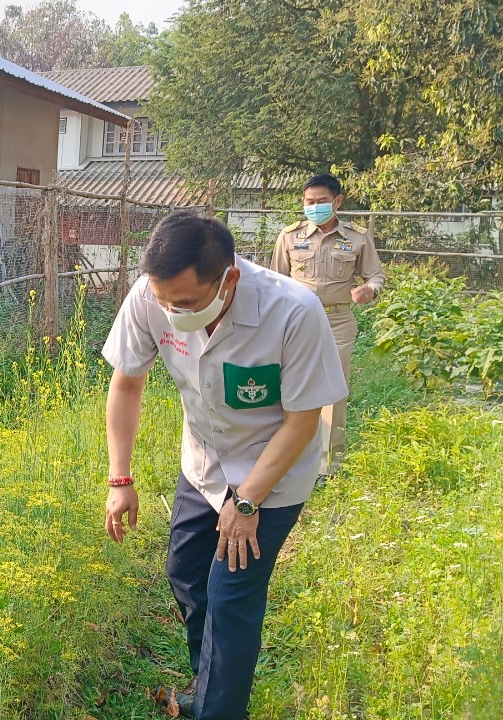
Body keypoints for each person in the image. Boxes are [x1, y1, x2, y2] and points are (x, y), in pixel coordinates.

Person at [101, 212, 347, 719]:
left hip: (272, 474)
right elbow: (127, 384)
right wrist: (120, 478)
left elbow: (303, 420)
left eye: (186, 304)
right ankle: (208, 682)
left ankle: (217, 709)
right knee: (186, 573)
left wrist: (248, 500)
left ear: (228, 278)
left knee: (230, 596)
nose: (171, 313)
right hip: (205, 463)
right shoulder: (152, 296)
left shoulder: (293, 311)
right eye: (163, 301)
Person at [269, 173, 384, 480]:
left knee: (333, 393)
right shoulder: (289, 237)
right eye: (309, 202)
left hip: (337, 321)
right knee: (289, 388)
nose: (315, 207)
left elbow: (376, 276)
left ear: (337, 202)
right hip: (295, 322)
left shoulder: (357, 238)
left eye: (321, 202)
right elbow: (273, 282)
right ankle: (287, 458)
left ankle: (327, 468)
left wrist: (368, 290)